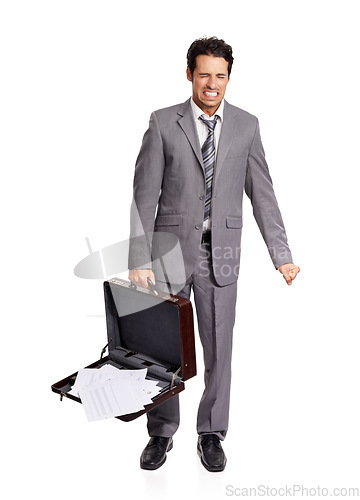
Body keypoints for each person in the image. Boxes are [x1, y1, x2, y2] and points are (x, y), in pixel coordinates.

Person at [128, 36, 300, 472]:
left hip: (220, 254)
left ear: (228, 78)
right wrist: (138, 258)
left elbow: (263, 194)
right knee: (162, 348)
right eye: (204, 74)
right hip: (166, 252)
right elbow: (143, 196)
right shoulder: (164, 122)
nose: (212, 84)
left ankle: (210, 433)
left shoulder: (246, 125)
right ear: (189, 74)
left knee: (219, 347)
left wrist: (281, 253)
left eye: (220, 76)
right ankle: (161, 433)